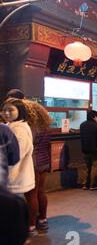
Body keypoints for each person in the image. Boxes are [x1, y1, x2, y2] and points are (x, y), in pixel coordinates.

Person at [0, 99, 35, 245]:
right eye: (5, 110)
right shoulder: (12, 128)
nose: (6, 113)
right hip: (11, 179)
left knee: (9, 218)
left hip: (14, 179)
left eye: (10, 110)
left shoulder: (19, 130)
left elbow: (15, 156)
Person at [20, 100, 52, 236]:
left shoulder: (29, 127)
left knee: (31, 195)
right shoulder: (44, 125)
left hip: (32, 163)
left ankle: (31, 226)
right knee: (41, 192)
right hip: (44, 162)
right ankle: (43, 220)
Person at [79, 110, 97, 190]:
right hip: (95, 150)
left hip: (85, 149)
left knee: (86, 167)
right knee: (95, 166)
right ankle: (92, 184)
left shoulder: (82, 125)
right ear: (94, 117)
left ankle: (84, 184)